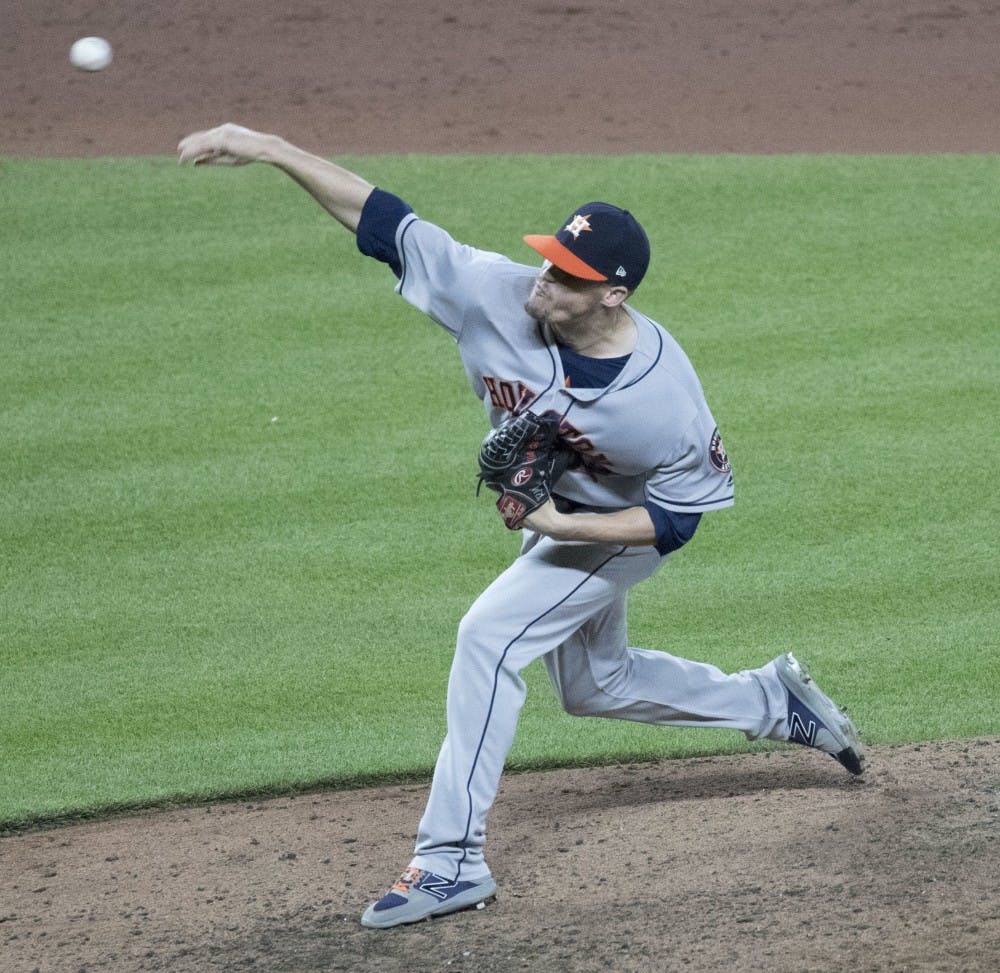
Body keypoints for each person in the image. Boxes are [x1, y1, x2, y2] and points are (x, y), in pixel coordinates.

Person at [177, 123, 864, 929]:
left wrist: (562, 520)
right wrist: (270, 149)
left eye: (568, 275)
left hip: (618, 527)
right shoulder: (492, 292)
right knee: (594, 686)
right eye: (549, 256)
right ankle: (771, 700)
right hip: (569, 515)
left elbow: (676, 519)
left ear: (613, 294)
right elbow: (382, 219)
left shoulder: (665, 401)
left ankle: (449, 859)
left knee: (490, 636)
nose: (544, 278)